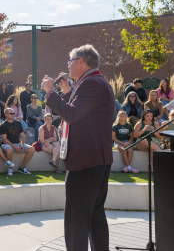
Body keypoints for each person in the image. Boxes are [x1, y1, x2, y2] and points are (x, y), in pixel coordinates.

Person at [43, 44, 114, 251]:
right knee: (93, 215)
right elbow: (80, 113)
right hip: (94, 159)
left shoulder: (92, 83)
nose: (68, 66)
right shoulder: (94, 82)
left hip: (86, 161)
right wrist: (66, 92)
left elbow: (72, 116)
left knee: (76, 219)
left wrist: (50, 91)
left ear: (80, 62)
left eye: (70, 61)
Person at [1, 107, 36, 175]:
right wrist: (15, 147)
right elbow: (4, 139)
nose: (13, 115)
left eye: (14, 113)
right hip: (7, 145)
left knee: (32, 149)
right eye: (11, 113)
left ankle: (22, 168)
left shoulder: (18, 123)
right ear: (6, 114)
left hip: (18, 144)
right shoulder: (3, 125)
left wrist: (22, 145)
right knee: (8, 150)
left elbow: (23, 135)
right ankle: (10, 168)